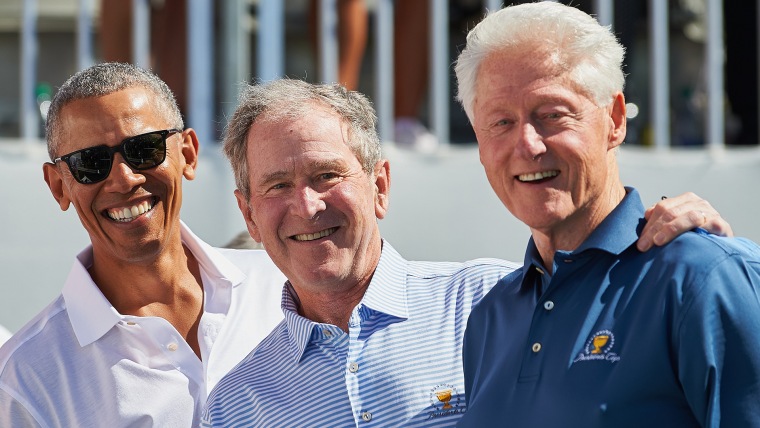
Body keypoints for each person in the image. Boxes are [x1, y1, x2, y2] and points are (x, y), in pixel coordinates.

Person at [200, 78, 730, 427]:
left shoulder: (497, 301)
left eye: (326, 175)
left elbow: (633, 333)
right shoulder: (234, 404)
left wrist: (681, 243)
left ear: (380, 186)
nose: (307, 205)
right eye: (276, 186)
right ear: (248, 214)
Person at [453, 3, 760, 427]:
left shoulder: (702, 278)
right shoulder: (490, 317)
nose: (527, 144)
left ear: (615, 119)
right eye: (501, 122)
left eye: (552, 115)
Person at [0, 63, 286, 427]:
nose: (124, 178)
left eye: (144, 149)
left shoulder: (284, 290)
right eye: (90, 163)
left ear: (188, 153)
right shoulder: (25, 379)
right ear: (58, 186)